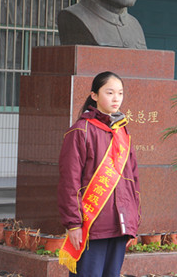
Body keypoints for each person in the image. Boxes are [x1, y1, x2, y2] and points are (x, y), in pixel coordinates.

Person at [57, 71, 141, 277]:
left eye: (120, 93)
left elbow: (133, 180)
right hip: (92, 226)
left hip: (119, 225)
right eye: (109, 92)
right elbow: (70, 181)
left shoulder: (122, 132)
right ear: (94, 95)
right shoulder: (80, 131)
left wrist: (133, 220)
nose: (116, 99)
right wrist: (74, 223)